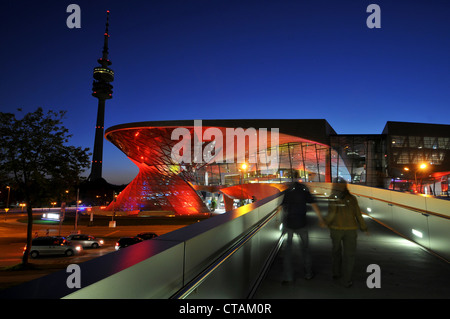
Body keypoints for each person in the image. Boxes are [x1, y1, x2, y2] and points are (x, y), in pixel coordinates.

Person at [325, 178, 369, 288]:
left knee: (336, 251)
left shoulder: (332, 198)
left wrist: (325, 223)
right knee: (349, 255)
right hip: (350, 230)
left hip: (336, 229)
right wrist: (364, 228)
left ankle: (336, 273)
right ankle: (347, 280)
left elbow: (332, 213)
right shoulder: (352, 198)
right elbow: (358, 214)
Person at [278, 181, 325, 283]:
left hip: (289, 224)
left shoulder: (288, 192)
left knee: (288, 251)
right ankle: (308, 274)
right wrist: (321, 219)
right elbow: (314, 205)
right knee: (305, 249)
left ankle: (288, 277)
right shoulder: (304, 191)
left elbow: (281, 207)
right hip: (302, 224)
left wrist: (279, 220)